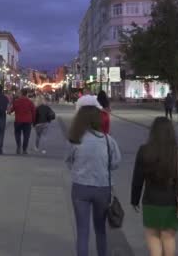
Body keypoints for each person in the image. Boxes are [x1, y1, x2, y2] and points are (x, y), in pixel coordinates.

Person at [131, 117, 178, 256]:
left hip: (150, 201)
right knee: (168, 237)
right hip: (172, 203)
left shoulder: (144, 150)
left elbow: (137, 179)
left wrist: (134, 200)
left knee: (153, 237)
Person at [66, 105, 121, 256]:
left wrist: (80, 170)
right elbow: (116, 163)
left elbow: (69, 161)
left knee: (82, 231)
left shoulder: (75, 140)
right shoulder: (108, 140)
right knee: (100, 229)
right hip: (102, 188)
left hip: (80, 188)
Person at [10, 88, 36, 155]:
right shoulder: (30, 102)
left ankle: (19, 146)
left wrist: (9, 111)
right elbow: (33, 112)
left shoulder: (17, 101)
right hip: (28, 121)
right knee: (26, 136)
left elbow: (11, 110)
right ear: (26, 94)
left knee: (17, 134)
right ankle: (24, 149)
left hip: (18, 120)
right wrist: (33, 121)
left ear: (21, 93)